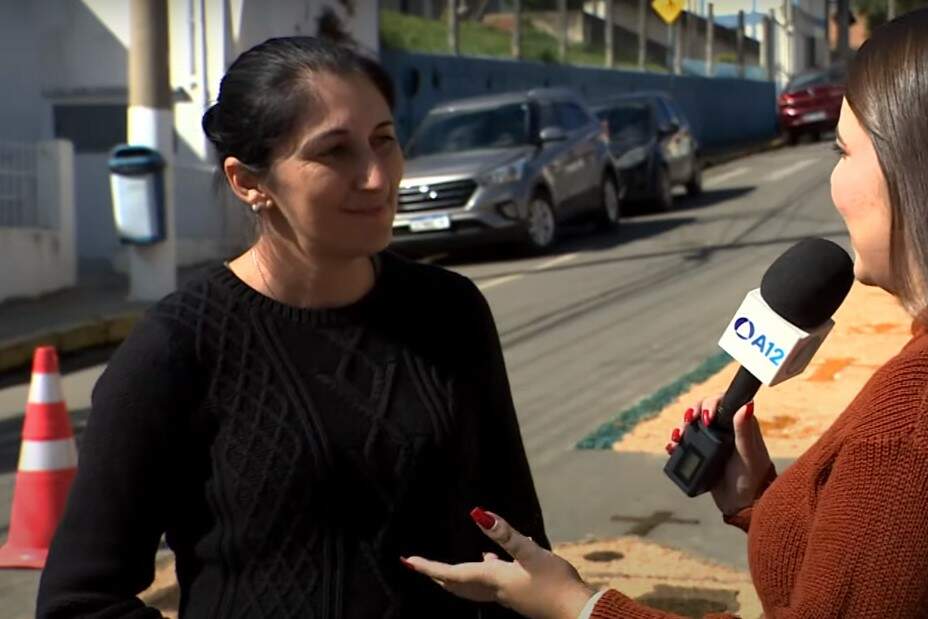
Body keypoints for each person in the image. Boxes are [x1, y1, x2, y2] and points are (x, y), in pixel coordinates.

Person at [405, 2, 928, 617]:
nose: (832, 183)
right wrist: (761, 503)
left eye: (843, 150)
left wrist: (579, 603)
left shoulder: (911, 434)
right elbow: (870, 581)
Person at [36, 36, 548, 618]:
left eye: (384, 140)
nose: (376, 177)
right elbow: (78, 602)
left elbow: (522, 548)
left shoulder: (450, 311)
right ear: (248, 182)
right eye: (335, 152)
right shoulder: (178, 347)